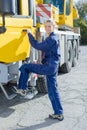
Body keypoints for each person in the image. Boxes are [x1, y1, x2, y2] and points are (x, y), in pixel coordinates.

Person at [17, 20, 64, 121]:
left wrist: (29, 34)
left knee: (25, 67)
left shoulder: (51, 39)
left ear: (53, 27)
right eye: (46, 26)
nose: (47, 28)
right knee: (52, 90)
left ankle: (22, 89)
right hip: (53, 67)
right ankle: (59, 113)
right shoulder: (53, 37)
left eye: (49, 26)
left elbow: (37, 46)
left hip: (49, 67)